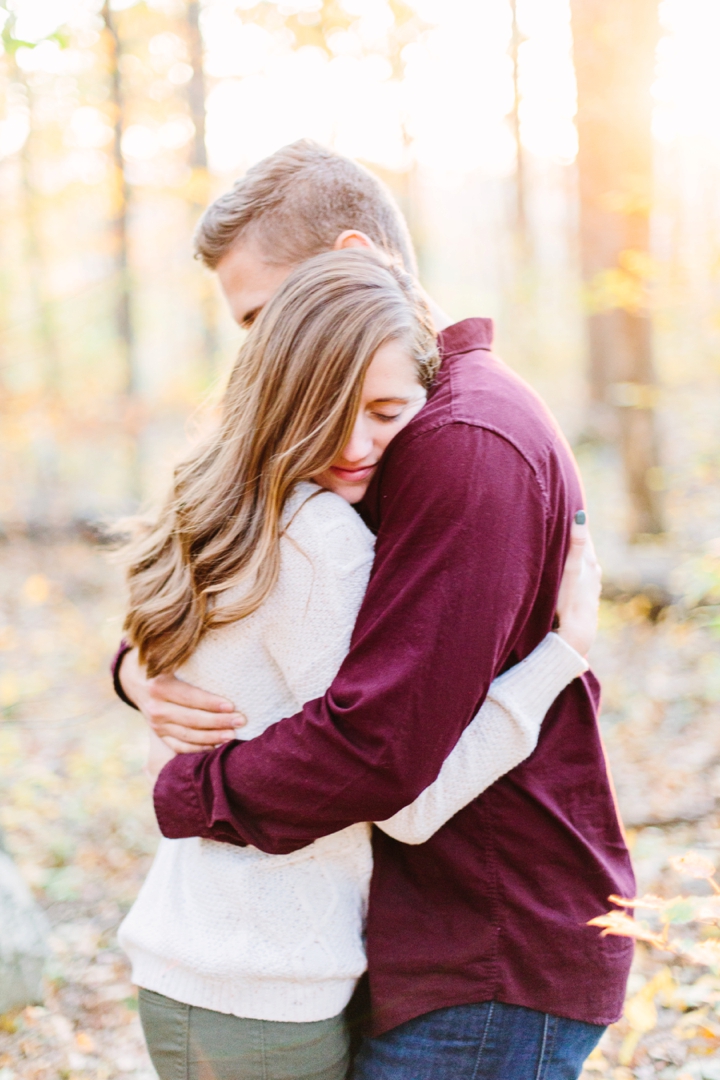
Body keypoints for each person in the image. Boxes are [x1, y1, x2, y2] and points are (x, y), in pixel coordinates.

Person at [114, 142, 635, 1080]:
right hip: (399, 941)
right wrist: (139, 672)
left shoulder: (458, 444)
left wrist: (188, 792)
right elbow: (230, 590)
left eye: (266, 312)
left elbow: (382, 757)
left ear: (359, 260)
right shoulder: (362, 451)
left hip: (487, 940)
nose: (264, 348)